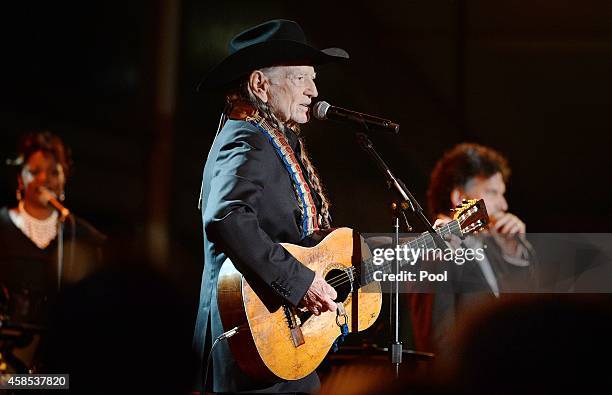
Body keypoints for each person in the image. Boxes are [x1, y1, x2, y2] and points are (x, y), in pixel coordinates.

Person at [192, 19, 349, 393]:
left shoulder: (273, 139)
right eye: (300, 78)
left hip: (282, 339)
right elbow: (227, 216)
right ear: (260, 84)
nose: (314, 90)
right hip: (252, 340)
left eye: (313, 78)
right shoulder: (247, 137)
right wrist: (300, 283)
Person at [409, 143, 536, 352]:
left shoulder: (486, 248)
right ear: (459, 198)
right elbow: (436, 340)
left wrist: (512, 252)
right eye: (492, 192)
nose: (503, 205)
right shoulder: (436, 251)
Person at [0, 131, 105, 370]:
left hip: (60, 366)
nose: (44, 178)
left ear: (64, 178)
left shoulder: (82, 235)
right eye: (35, 171)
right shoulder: (3, 227)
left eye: (54, 172)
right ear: (20, 179)